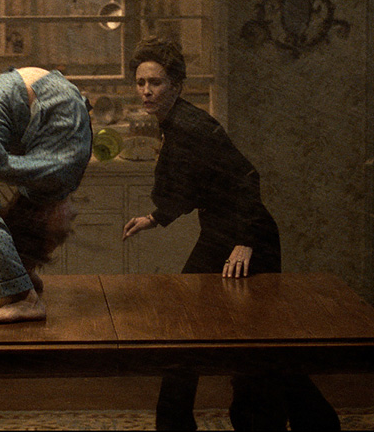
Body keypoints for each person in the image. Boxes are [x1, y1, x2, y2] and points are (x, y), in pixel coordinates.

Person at [121, 37, 339, 431]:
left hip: (248, 237)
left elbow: (246, 177)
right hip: (224, 233)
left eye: (155, 82)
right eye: (141, 83)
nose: (146, 91)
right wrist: (155, 217)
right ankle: (316, 421)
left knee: (234, 336)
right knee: (244, 338)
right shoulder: (174, 124)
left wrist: (245, 240)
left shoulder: (194, 126)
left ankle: (183, 423)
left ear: (177, 86)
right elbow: (193, 184)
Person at [0, 66, 92, 324]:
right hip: (26, 96)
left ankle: (25, 295)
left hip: (35, 95)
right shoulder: (59, 176)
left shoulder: (53, 179)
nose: (71, 217)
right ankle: (22, 287)